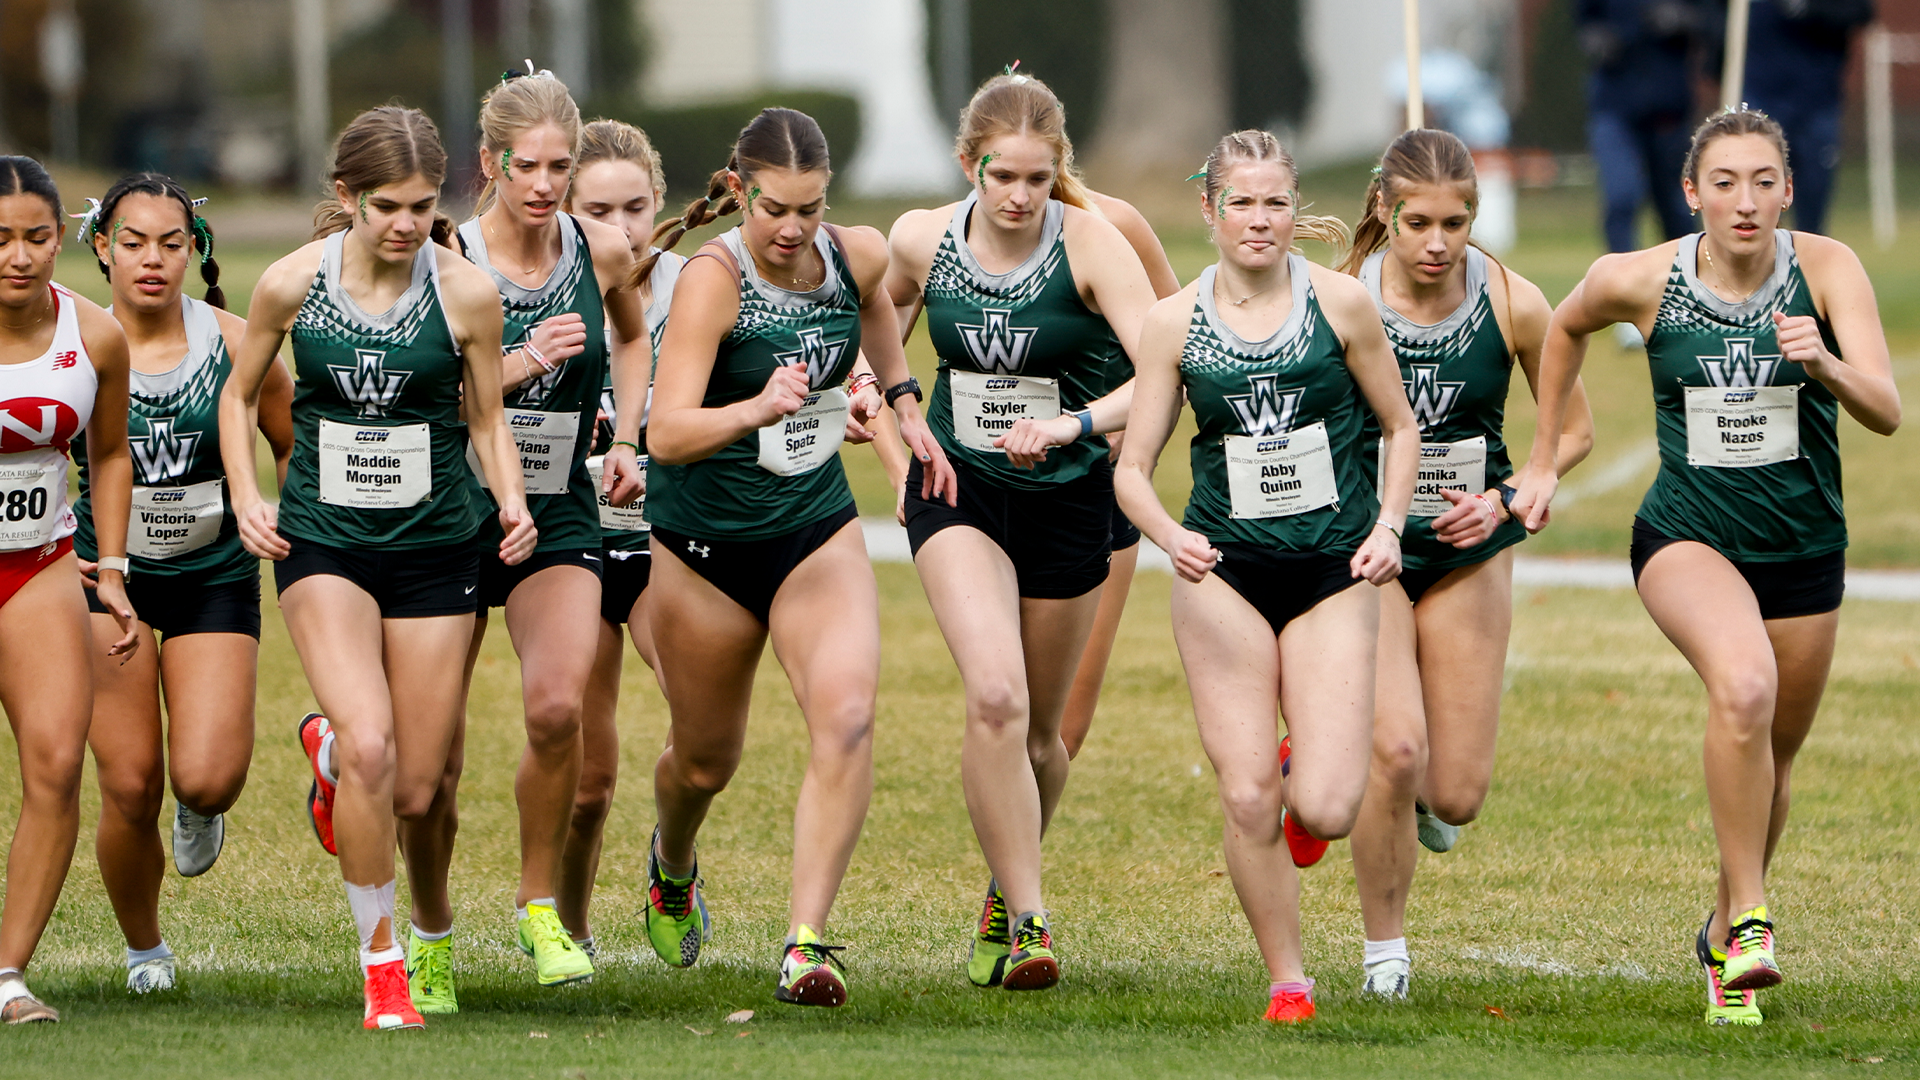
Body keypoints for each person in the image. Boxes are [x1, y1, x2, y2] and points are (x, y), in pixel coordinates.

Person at [1510, 108, 1901, 1026]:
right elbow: (1563, 329)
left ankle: (1723, 933)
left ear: (1788, 190)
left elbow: (1885, 407)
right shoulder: (1641, 279)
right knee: (1743, 687)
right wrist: (1540, 458)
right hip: (1688, 535)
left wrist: (1827, 366)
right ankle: (1757, 923)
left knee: (1774, 755)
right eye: (1724, 182)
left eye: (1764, 180)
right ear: (1691, 194)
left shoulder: (1828, 268)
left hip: (1806, 546)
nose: (1745, 200)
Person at [220, 106, 536, 1032]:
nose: (405, 223)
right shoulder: (289, 285)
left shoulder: (466, 294)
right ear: (346, 197)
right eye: (386, 206)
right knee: (373, 747)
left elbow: (486, 421)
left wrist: (511, 502)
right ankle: (383, 965)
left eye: (422, 205)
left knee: (412, 786)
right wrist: (249, 496)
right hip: (325, 542)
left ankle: (325, 750)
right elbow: (239, 399)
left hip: (441, 544)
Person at [640, 106, 948, 1007]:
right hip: (704, 547)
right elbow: (666, 432)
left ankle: (805, 943)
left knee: (848, 720)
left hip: (814, 526)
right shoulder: (713, 280)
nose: (792, 229)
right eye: (775, 207)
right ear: (739, 189)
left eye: (810, 209)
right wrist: (754, 409)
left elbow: (877, 313)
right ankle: (672, 859)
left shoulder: (854, 254)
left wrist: (898, 398)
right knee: (704, 762)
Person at [1114, 130, 1419, 1024]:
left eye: (1275, 202)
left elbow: (1399, 429)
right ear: (1210, 210)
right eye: (1240, 202)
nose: (1259, 219)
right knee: (1245, 794)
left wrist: (1390, 528)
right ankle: (1290, 981)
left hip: (1333, 570)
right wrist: (1172, 537)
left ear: (1296, 208)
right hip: (1223, 574)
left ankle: (1302, 770)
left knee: (1322, 808)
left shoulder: (1343, 305)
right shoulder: (1173, 322)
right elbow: (1131, 470)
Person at [884, 71, 1157, 991]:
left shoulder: (1092, 246)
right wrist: (897, 426)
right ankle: (1033, 921)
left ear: (1058, 175)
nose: (1018, 196)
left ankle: (1007, 892)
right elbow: (870, 326)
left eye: (1037, 180)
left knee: (1043, 734)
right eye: (1001, 176)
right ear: (970, 165)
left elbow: (1166, 370)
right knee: (993, 697)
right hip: (958, 491)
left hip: (1070, 498)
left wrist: (1075, 425)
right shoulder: (923, 237)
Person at [391, 68, 644, 1008]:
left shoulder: (600, 248)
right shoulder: (446, 256)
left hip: (559, 513)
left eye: (558, 166)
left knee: (554, 709)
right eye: (525, 166)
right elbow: (429, 393)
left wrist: (628, 434)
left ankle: (539, 905)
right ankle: (428, 932)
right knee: (430, 773)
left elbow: (632, 335)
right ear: (490, 163)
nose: (542, 185)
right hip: (450, 516)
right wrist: (531, 357)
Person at [1334, 130, 1594, 1000]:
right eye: (1418, 223)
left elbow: (1572, 432)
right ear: (1384, 211)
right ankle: (1386, 956)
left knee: (1456, 791)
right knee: (1397, 749)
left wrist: (1511, 492)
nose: (1439, 243)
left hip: (1468, 546)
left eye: (1458, 221)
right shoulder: (1339, 299)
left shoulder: (1515, 301)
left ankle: (1357, 758)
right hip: (1366, 549)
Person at [73, 174, 294, 995]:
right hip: (105, 581)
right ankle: (144, 950)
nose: (152, 261)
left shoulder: (237, 342)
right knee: (128, 781)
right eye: (133, 244)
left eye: (172, 243)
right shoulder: (78, 345)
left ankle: (200, 807)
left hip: (212, 576)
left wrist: (279, 512)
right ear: (102, 248)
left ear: (194, 248)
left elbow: (290, 439)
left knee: (205, 775)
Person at [0, 155, 138, 1025]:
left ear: (63, 239)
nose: (18, 255)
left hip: (41, 567)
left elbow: (111, 453)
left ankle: (8, 975)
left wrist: (113, 567)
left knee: (55, 763)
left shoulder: (95, 335)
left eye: (36, 237)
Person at [559, 117, 680, 957]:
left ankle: (674, 863)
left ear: (660, 202)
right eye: (597, 210)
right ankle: (565, 927)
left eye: (634, 207)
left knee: (702, 735)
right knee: (588, 782)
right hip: (575, 546)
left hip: (675, 541)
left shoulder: (703, 284)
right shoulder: (544, 282)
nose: (620, 229)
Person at [1578, 0, 1714, 253]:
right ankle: (1620, 281)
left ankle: (1687, 278)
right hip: (1614, 103)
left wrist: (1682, 19)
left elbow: (1713, 19)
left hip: (1668, 110)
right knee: (1621, 196)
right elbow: (1585, 19)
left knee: (1678, 209)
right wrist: (1596, 38)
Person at [1742, 0, 1875, 235]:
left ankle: (1808, 262)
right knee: (1755, 190)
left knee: (1813, 193)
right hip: (1760, 92)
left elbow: (1861, 12)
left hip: (1817, 97)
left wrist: (1812, 9)